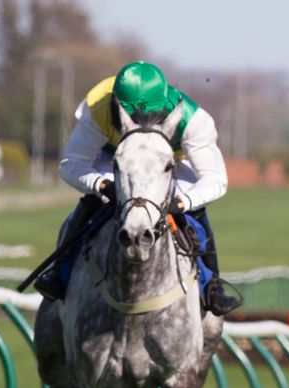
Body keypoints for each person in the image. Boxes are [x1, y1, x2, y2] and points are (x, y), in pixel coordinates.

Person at [32, 61, 242, 315]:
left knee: (195, 209)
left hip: (165, 163)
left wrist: (183, 202)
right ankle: (60, 272)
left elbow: (215, 179)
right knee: (93, 199)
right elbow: (71, 164)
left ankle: (212, 287)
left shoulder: (193, 120)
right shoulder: (98, 107)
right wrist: (100, 184)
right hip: (114, 158)